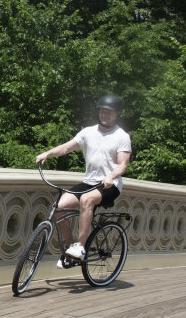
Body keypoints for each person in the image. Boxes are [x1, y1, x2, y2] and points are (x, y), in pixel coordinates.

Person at [34, 95, 132, 267]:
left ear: (117, 113)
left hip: (109, 185)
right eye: (102, 111)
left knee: (86, 200)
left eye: (109, 112)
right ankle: (71, 247)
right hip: (88, 182)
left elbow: (122, 165)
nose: (104, 114)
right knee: (58, 208)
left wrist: (111, 176)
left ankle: (80, 246)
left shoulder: (122, 136)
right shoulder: (88, 132)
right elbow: (66, 147)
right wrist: (47, 154)